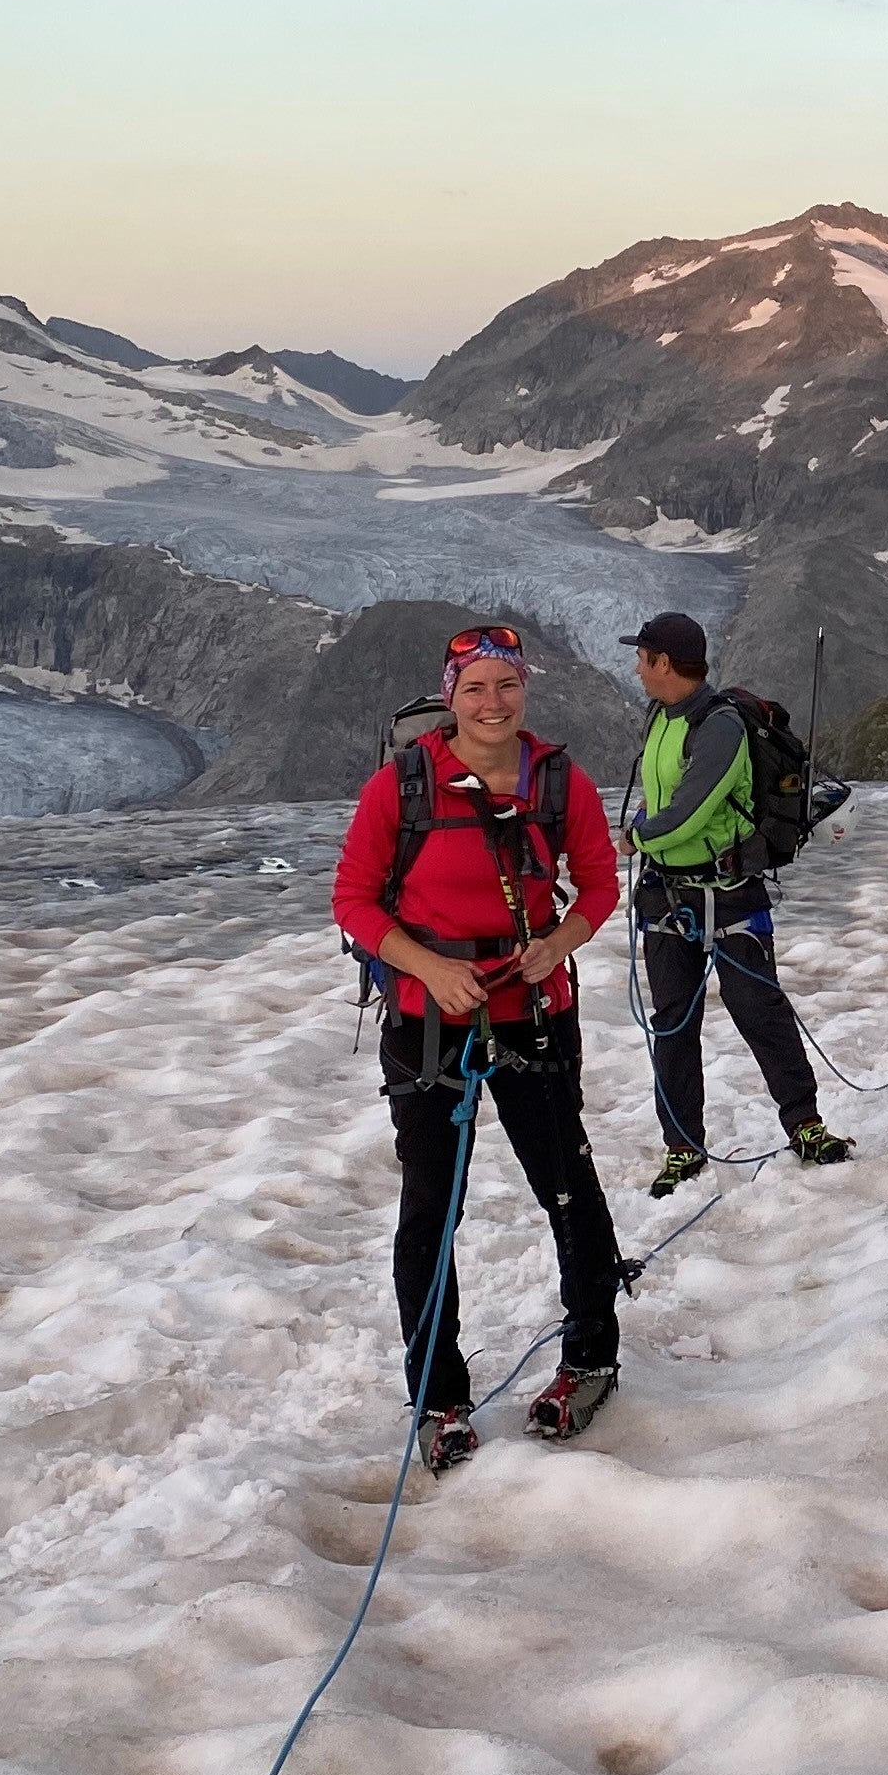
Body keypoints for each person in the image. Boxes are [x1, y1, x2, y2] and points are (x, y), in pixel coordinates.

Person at [332, 624, 625, 1473]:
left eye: (507, 685)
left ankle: (591, 1358)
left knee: (566, 1186)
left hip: (534, 1007)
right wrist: (429, 967)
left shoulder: (558, 781)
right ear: (449, 696)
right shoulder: (401, 786)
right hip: (428, 1020)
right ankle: (438, 1395)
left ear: (524, 689)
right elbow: (353, 899)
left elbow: (599, 883)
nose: (493, 703)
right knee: (431, 1207)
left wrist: (558, 941)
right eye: (475, 688)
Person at [622, 610, 851, 1197]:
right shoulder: (662, 716)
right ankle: (683, 1147)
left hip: (726, 892)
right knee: (673, 1023)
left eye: (642, 658)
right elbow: (662, 797)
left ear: (664, 663)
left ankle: (804, 1125)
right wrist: (647, 829)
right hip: (669, 892)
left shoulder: (719, 725)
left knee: (758, 1010)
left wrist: (636, 837)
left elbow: (689, 811)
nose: (637, 668)